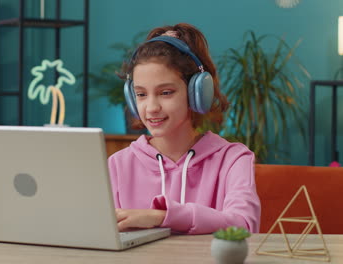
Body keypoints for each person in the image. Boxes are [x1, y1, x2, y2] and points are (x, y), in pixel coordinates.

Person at [108, 23, 261, 234]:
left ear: (196, 92)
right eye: (141, 94)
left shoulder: (233, 159)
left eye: (166, 92)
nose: (151, 107)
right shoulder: (117, 165)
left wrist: (162, 217)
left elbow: (244, 226)